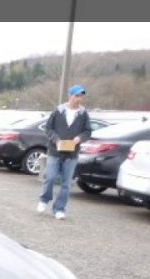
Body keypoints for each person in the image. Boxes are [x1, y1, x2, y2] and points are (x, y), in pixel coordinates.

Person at [37, 84, 92, 220]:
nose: (78, 99)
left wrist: (79, 138)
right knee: (50, 177)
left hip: (72, 153)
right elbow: (48, 128)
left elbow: (87, 131)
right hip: (55, 151)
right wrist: (56, 140)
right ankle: (44, 199)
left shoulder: (83, 113)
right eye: (76, 96)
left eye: (81, 96)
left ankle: (59, 209)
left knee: (66, 183)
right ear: (70, 96)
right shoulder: (59, 110)